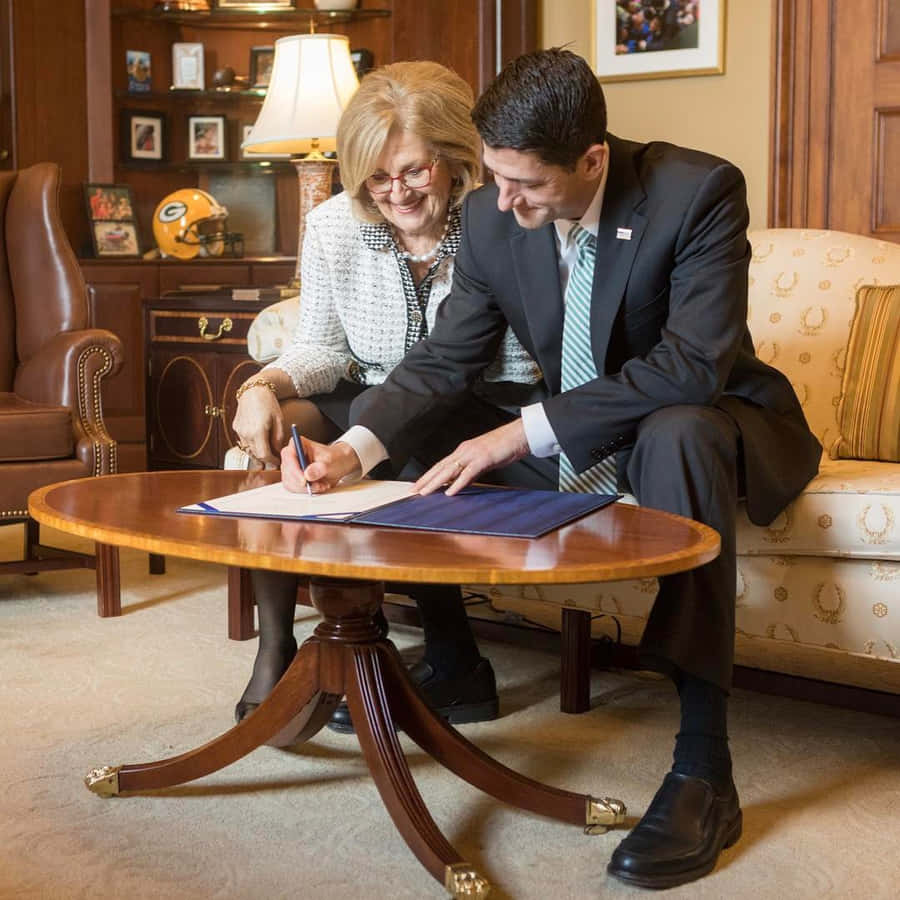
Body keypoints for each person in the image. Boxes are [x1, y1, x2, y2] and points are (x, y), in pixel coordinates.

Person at [282, 49, 822, 889]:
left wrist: (523, 433)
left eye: (526, 184)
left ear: (593, 159)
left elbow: (690, 367)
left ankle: (703, 767)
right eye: (496, 179)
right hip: (585, 442)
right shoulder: (497, 217)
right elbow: (443, 358)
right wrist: (354, 448)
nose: (502, 203)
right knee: (437, 422)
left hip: (703, 427)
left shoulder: (697, 192)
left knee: (678, 430)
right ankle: (458, 667)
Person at [230, 61, 548, 734]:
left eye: (413, 171)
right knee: (282, 427)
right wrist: (260, 385)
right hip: (374, 392)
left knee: (419, 427)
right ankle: (279, 647)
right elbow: (321, 348)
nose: (394, 193)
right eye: (376, 176)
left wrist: (391, 416)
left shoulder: (503, 220)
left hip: (484, 404)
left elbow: (519, 359)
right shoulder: (334, 226)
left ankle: (456, 662)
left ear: (457, 159)